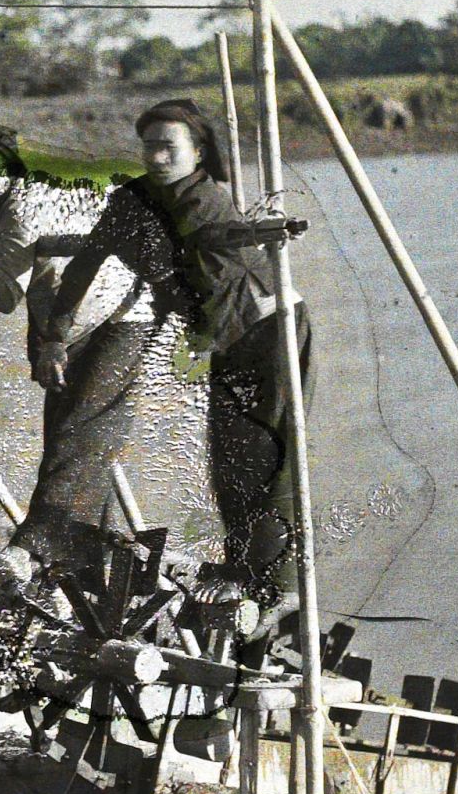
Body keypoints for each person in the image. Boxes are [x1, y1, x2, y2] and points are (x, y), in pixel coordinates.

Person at [36, 98, 314, 605]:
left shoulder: (205, 199)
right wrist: (55, 336)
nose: (157, 158)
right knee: (228, 462)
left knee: (269, 455)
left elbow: (203, 235)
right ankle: (243, 573)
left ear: (199, 152)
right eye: (149, 147)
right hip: (224, 340)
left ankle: (279, 585)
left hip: (269, 330)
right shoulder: (133, 201)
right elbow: (86, 264)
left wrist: (256, 232)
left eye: (169, 148)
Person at [0, 124, 150, 587]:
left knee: (82, 431)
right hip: (62, 320)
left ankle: (33, 549)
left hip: (120, 314)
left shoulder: (23, 205)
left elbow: (4, 296)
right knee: (66, 438)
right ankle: (85, 575)